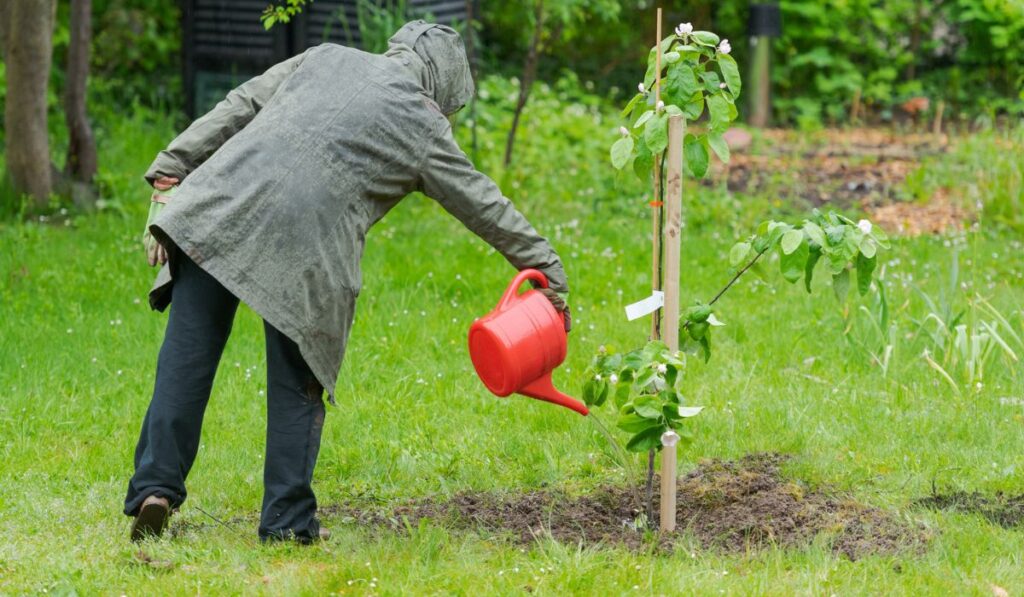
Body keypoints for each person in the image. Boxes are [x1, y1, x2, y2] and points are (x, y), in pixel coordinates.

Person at [125, 20, 571, 543]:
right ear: (446, 87)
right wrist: (550, 273)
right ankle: (287, 524)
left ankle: (155, 492)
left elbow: (241, 103)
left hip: (218, 206)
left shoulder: (323, 56)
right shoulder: (423, 125)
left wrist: (170, 170)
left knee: (187, 357)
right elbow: (484, 206)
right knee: (298, 382)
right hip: (306, 249)